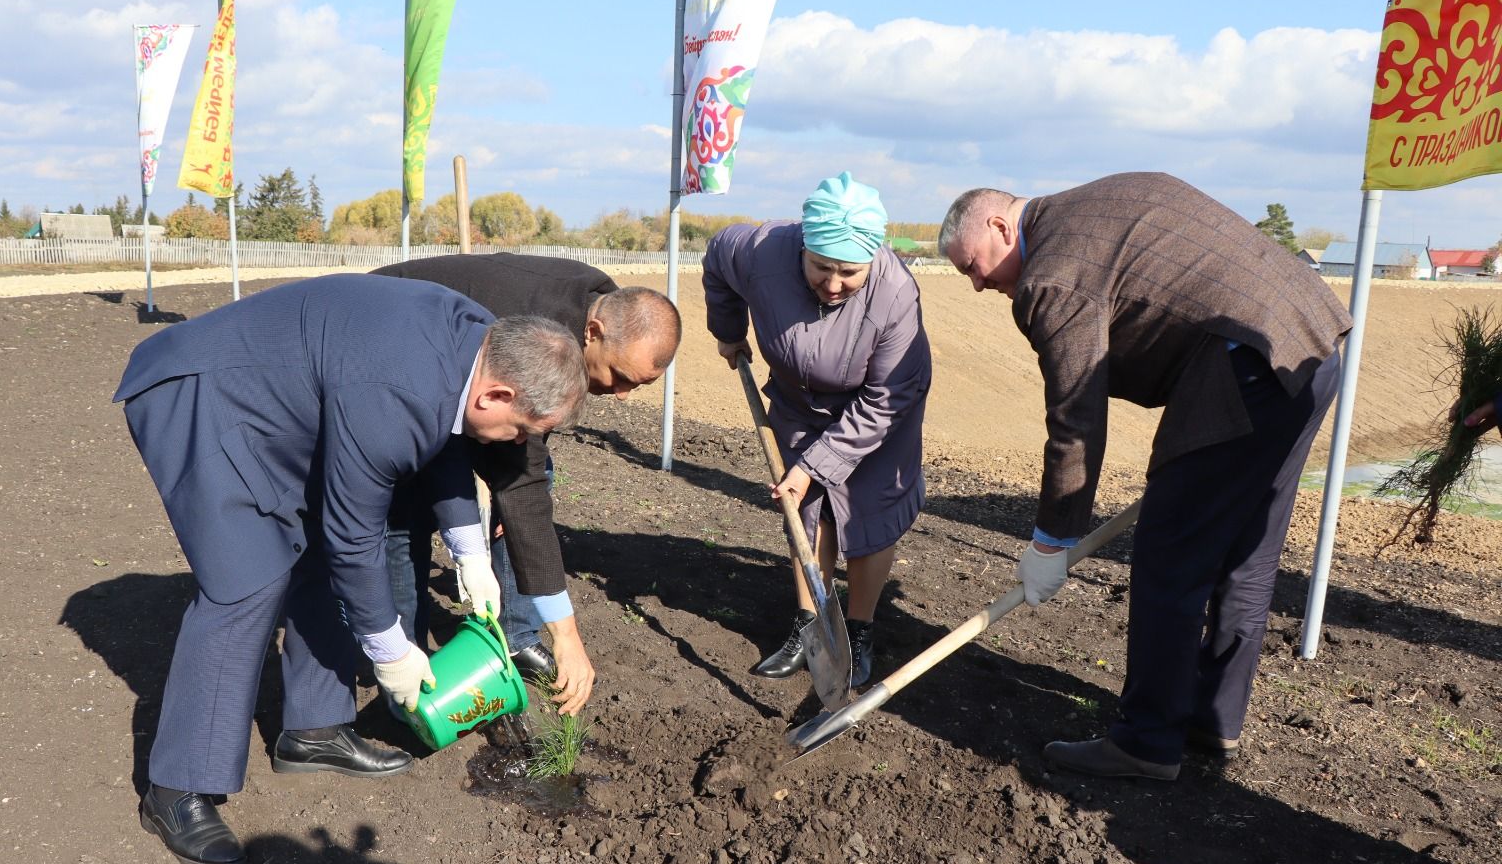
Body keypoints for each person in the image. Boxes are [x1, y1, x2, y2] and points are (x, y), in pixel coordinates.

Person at [114, 273, 587, 864]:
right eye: (521, 430)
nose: (516, 444)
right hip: (203, 394)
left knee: (312, 558)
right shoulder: (397, 391)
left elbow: (443, 441)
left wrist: (469, 552)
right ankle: (177, 785)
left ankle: (312, 732)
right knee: (247, 581)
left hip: (282, 397)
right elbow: (354, 536)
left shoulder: (475, 340)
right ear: (495, 395)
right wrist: (390, 651)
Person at [938, 172, 1351, 780]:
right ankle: (1213, 720)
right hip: (1309, 347)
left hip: (1242, 372)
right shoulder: (1099, 201)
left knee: (1170, 555)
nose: (977, 285)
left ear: (1001, 226)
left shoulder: (1051, 274)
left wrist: (1054, 539)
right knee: (1247, 553)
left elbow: (1076, 414)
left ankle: (1147, 741)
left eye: (973, 265)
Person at [370, 253, 680, 693]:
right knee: (409, 508)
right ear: (594, 333)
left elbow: (524, 465)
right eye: (621, 376)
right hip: (392, 344)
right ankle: (405, 657)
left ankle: (515, 637)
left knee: (522, 494)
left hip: (473, 381)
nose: (625, 395)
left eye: (641, 384)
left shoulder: (609, 307)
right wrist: (567, 636)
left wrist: (509, 498)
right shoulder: (545, 328)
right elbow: (522, 481)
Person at [705, 171, 932, 687]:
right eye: (820, 267)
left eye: (848, 272)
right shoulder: (760, 250)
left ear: (872, 260)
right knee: (806, 511)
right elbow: (717, 256)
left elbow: (888, 398)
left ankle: (858, 629)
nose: (832, 284)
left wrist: (815, 466)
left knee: (870, 513)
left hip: (876, 415)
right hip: (798, 402)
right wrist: (728, 330)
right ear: (802, 247)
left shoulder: (895, 296)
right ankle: (810, 626)